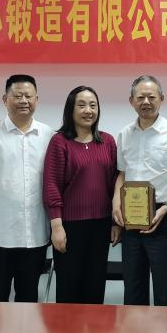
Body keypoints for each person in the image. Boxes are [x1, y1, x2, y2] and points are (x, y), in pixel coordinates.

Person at [0, 74, 53, 303]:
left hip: (35, 234)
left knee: (28, 297)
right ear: (5, 99)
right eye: (17, 96)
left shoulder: (49, 135)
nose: (24, 100)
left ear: (37, 99)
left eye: (28, 96)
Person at [111, 75, 167, 307]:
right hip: (131, 218)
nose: (146, 102)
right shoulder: (125, 134)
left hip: (162, 216)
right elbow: (122, 174)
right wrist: (116, 201)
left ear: (161, 99)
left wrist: (166, 207)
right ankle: (135, 330)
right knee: (133, 286)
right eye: (140, 97)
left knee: (166, 288)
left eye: (151, 97)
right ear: (131, 101)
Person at [43, 85, 119, 304]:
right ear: (71, 109)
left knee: (95, 286)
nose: (88, 110)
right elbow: (51, 185)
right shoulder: (60, 142)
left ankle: (94, 328)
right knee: (69, 287)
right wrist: (56, 227)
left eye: (93, 105)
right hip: (69, 227)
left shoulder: (107, 141)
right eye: (82, 105)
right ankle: (66, 329)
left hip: (101, 225)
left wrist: (115, 222)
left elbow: (114, 183)